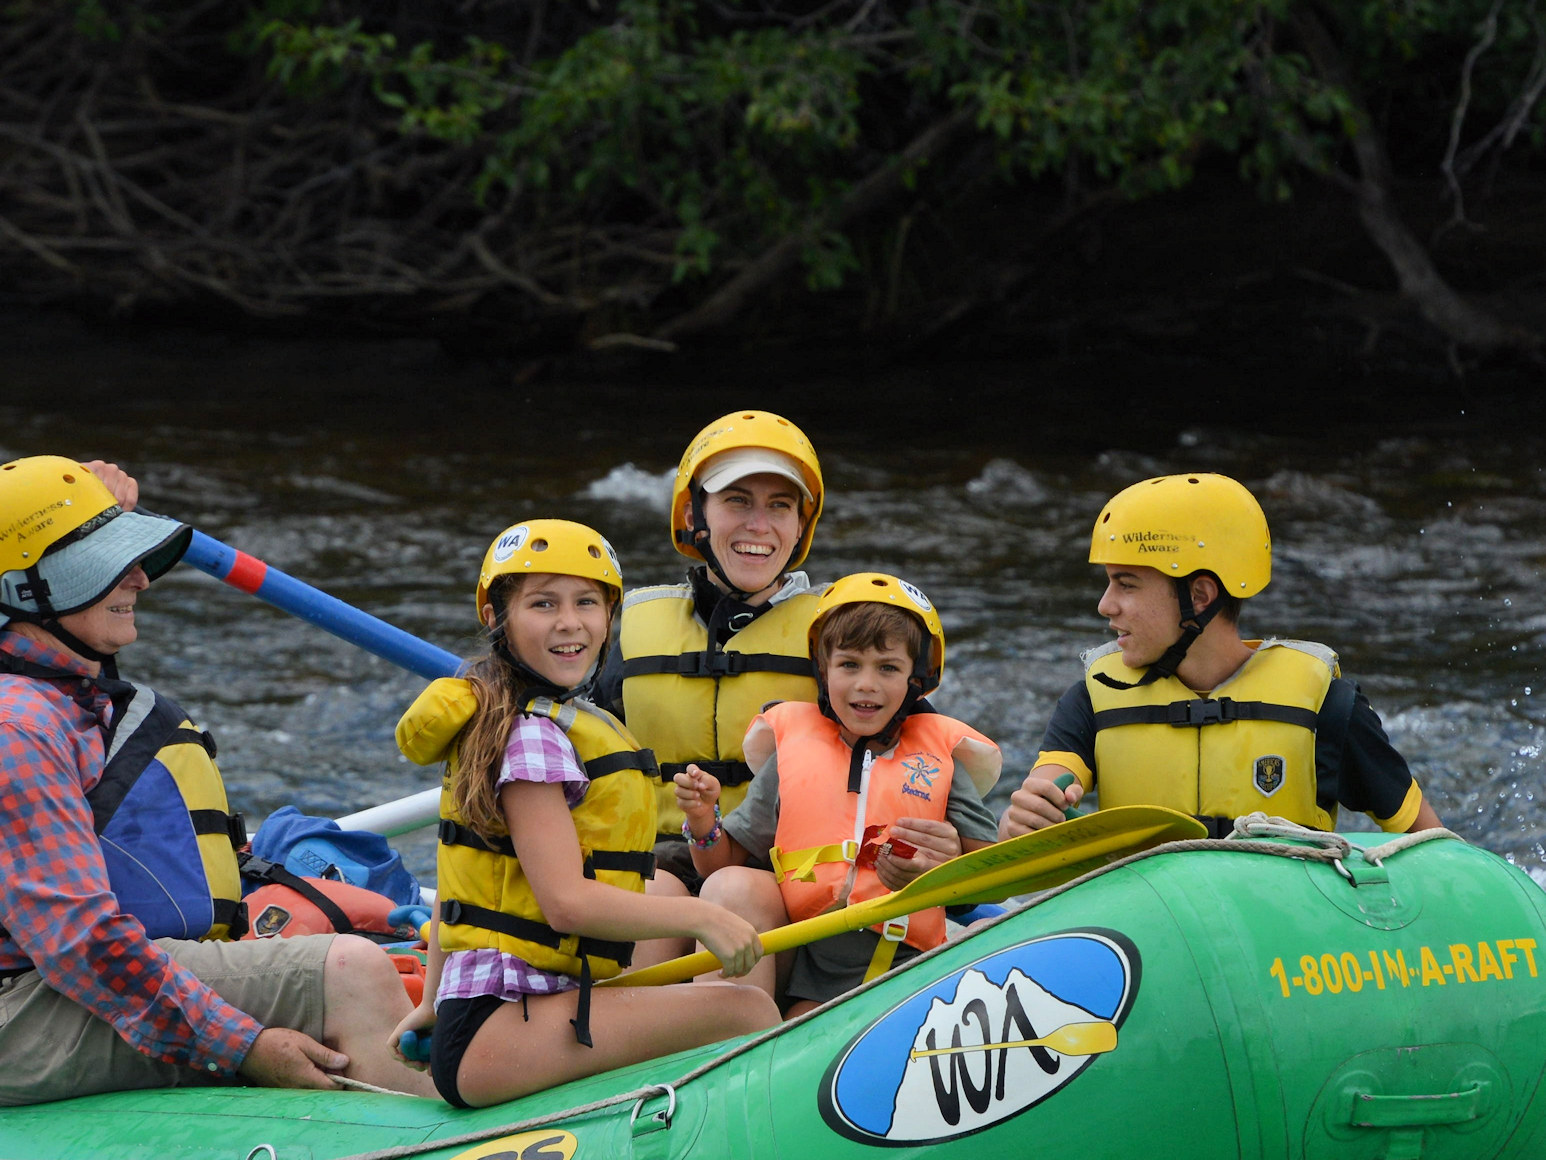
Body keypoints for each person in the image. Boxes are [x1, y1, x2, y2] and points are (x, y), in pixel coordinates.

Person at [0, 454, 434, 1106]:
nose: (142, 579)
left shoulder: (53, 687)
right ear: (26, 593)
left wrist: (76, 500)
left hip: (33, 989)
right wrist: (243, 1046)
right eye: (108, 566)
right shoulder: (20, 725)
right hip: (17, 1016)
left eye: (133, 557)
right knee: (349, 971)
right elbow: (85, 947)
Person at [389, 518, 778, 1108]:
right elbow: (566, 904)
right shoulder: (531, 739)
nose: (570, 623)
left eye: (587, 603)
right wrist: (704, 919)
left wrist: (430, 1001)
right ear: (497, 620)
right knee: (746, 1009)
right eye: (543, 603)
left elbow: (456, 886)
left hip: (500, 1016)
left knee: (671, 918)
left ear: (608, 619)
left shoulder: (522, 717)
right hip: (494, 1030)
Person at [998, 472, 1444, 840]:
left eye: (1126, 584)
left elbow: (1433, 849)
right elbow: (1040, 797)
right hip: (1156, 926)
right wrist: (1025, 819)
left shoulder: (1328, 706)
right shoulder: (1092, 701)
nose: (1105, 605)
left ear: (1200, 595)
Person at [675, 573, 1001, 1016]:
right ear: (823, 671)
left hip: (906, 964)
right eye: (849, 665)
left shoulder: (941, 758)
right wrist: (702, 820)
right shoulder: (792, 751)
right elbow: (722, 864)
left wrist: (949, 864)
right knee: (791, 1015)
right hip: (812, 964)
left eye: (888, 668)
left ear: (917, 679)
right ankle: (716, 1045)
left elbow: (996, 874)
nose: (866, 684)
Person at [595, 410, 828, 961]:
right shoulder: (633, 628)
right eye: (737, 501)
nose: (759, 525)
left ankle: (734, 1033)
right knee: (647, 894)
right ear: (694, 513)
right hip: (662, 856)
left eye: (780, 505)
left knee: (730, 893)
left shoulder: (840, 632)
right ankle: (646, 1038)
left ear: (801, 525)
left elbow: (912, 755)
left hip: (787, 867)